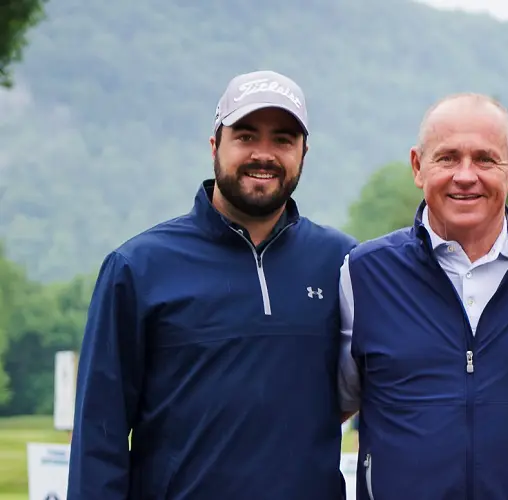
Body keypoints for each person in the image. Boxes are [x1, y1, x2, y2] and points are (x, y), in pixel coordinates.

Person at [68, 70, 357, 499]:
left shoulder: (343, 263)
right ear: (214, 146)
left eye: (282, 139)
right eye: (245, 136)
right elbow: (99, 434)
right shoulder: (138, 267)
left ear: (304, 153)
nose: (264, 154)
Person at [337, 93, 508, 500]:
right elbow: (339, 404)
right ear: (418, 166)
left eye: (485, 159)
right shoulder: (364, 274)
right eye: (448, 158)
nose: (466, 175)